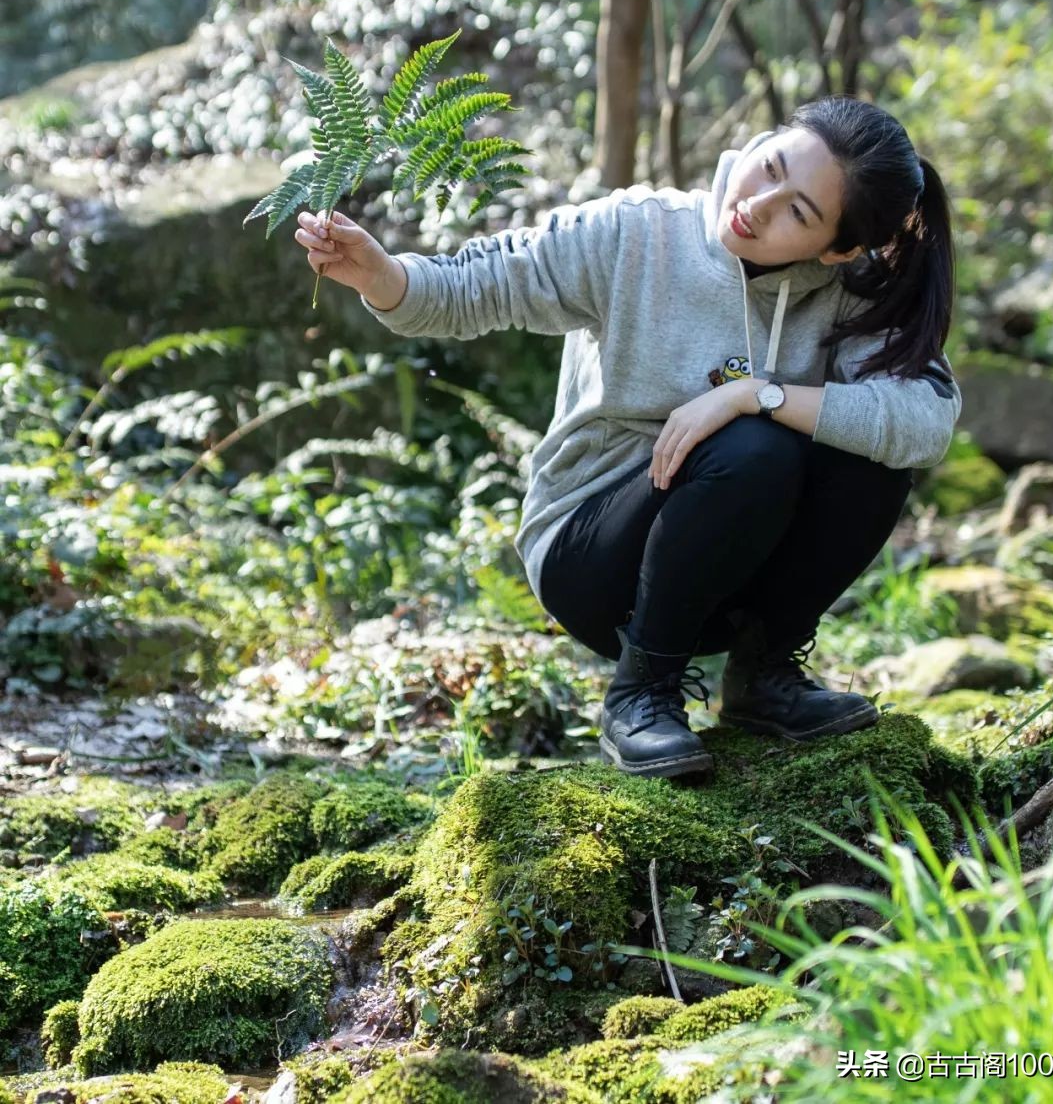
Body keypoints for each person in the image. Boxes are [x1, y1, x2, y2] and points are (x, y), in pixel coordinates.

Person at [294, 95, 962, 782]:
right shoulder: (638, 233)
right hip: (591, 551)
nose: (758, 204)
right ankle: (640, 695)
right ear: (763, 139)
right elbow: (477, 287)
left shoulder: (849, 295)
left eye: (797, 211)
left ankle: (765, 676)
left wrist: (752, 395)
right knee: (755, 451)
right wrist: (383, 275)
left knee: (870, 458)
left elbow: (926, 420)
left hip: (729, 573)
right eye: (770, 167)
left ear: (840, 248)